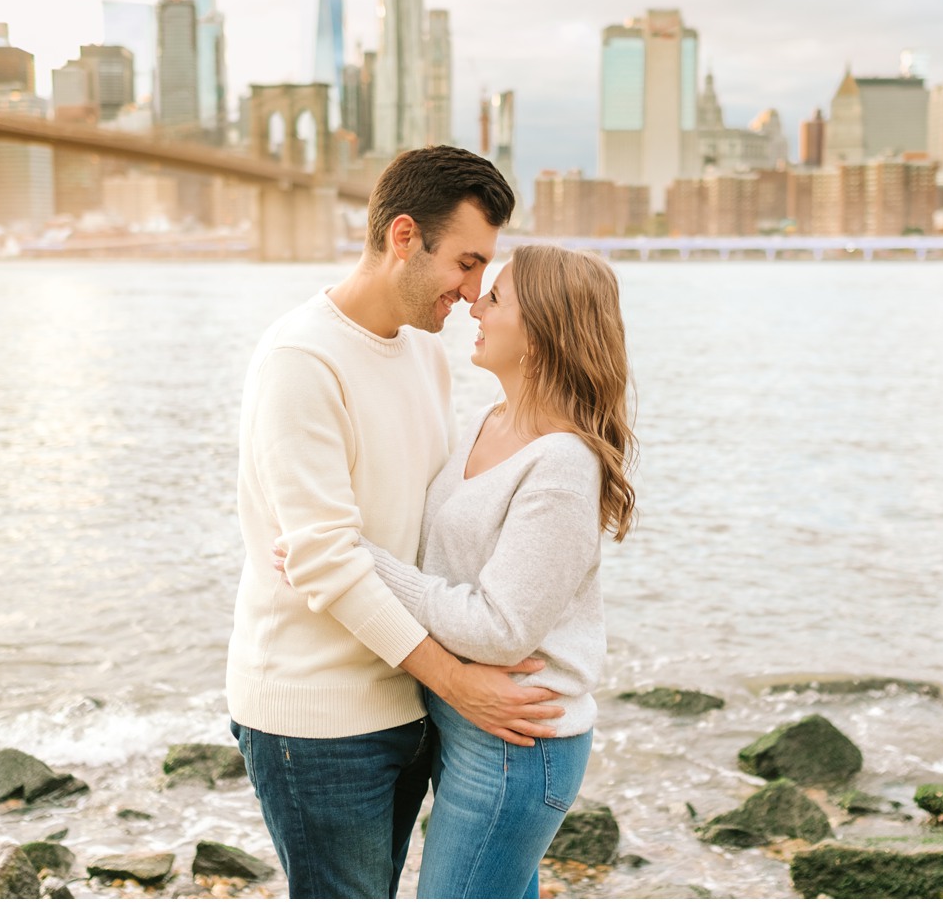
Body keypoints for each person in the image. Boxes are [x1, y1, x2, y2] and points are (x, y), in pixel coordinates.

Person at [226, 147, 563, 901]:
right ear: (404, 237)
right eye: (467, 263)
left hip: (408, 700)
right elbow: (328, 561)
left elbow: (437, 517)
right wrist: (462, 684)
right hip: (315, 719)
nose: (476, 295)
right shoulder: (300, 360)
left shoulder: (423, 352)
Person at [319, 246, 637, 900]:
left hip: (517, 744)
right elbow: (447, 560)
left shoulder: (562, 470)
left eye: (496, 298)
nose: (474, 305)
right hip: (461, 722)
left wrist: (359, 557)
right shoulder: (492, 420)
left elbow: (500, 631)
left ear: (543, 335)